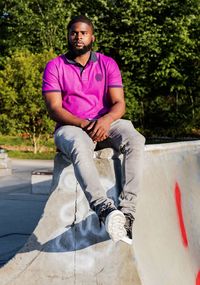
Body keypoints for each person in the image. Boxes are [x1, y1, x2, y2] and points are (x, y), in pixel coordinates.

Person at [42, 15, 145, 244]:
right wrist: (85, 124)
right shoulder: (55, 66)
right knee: (79, 144)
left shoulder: (107, 64)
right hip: (71, 127)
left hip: (105, 123)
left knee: (135, 139)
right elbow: (54, 108)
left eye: (83, 32)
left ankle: (127, 214)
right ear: (68, 36)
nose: (78, 37)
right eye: (74, 33)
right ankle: (105, 210)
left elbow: (119, 103)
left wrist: (106, 121)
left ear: (92, 36)